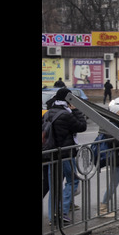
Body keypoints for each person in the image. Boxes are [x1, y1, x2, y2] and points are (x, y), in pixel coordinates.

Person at [42, 88, 87, 225]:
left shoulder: (48, 113)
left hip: (50, 154)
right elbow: (81, 126)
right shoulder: (66, 114)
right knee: (73, 180)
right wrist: (76, 110)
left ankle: (52, 217)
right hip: (65, 154)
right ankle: (61, 212)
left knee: (54, 185)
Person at [99, 110, 119, 217]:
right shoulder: (110, 126)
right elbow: (114, 142)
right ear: (113, 114)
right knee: (114, 184)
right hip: (114, 159)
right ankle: (103, 209)